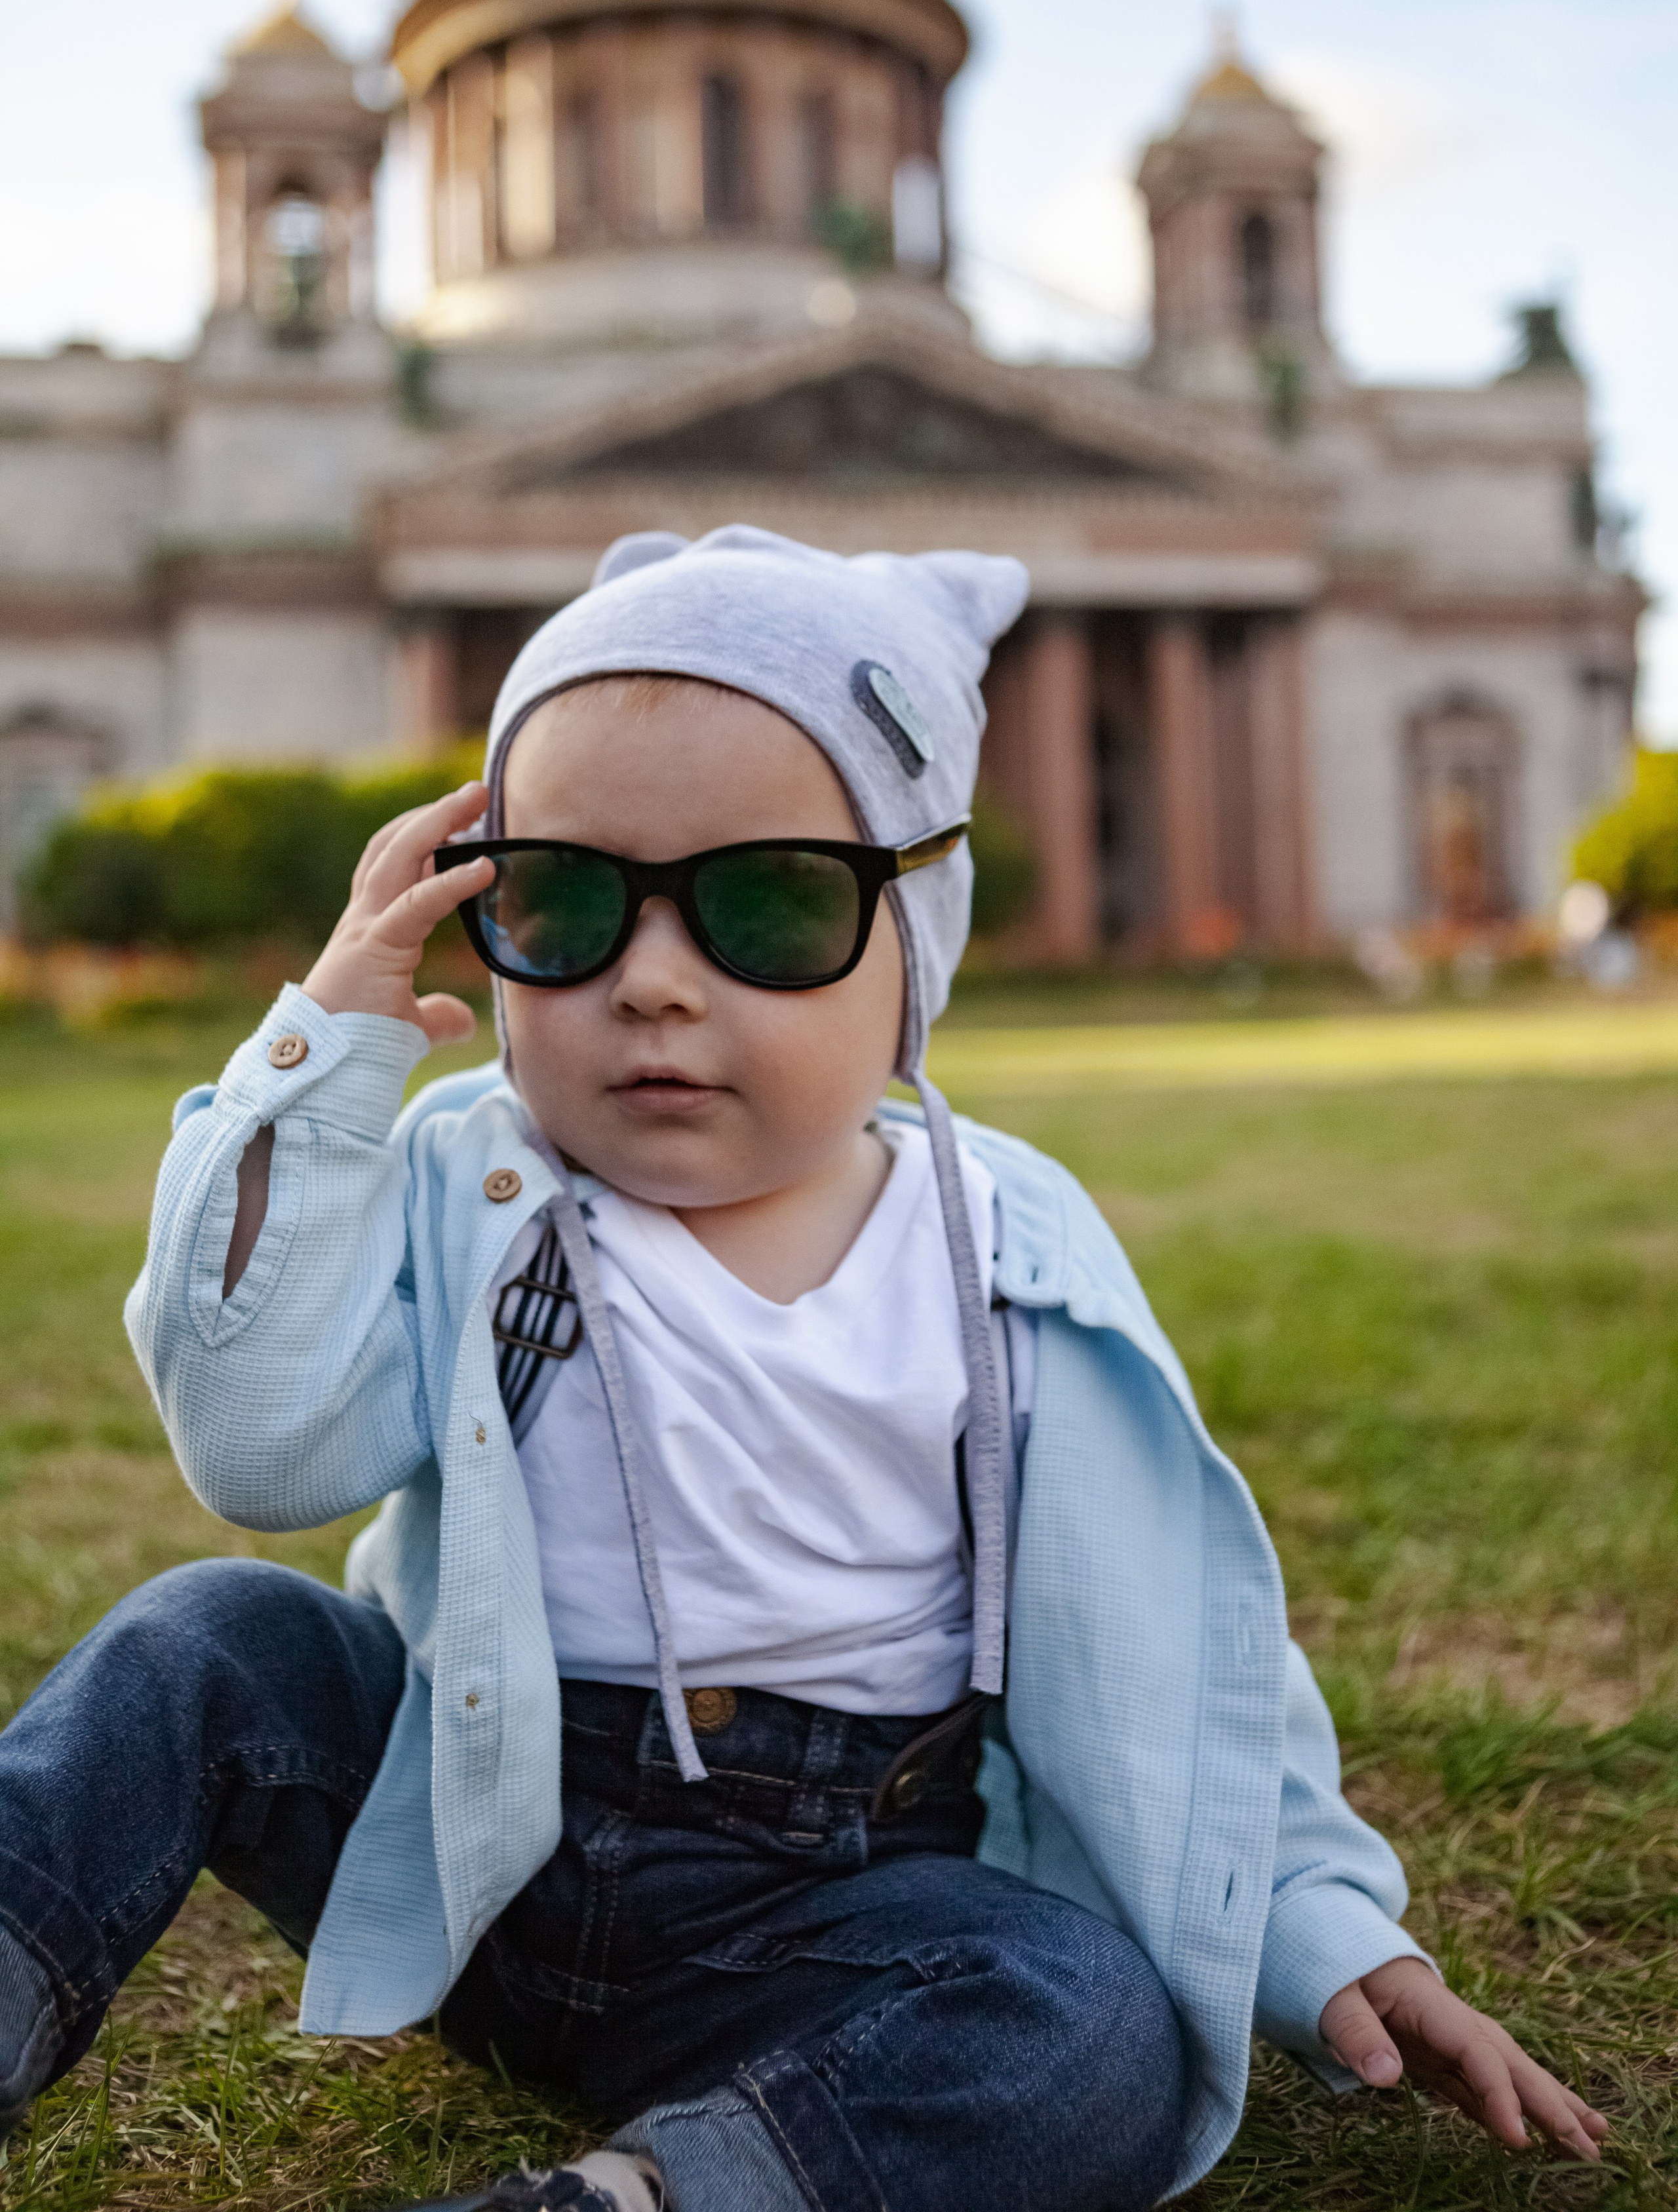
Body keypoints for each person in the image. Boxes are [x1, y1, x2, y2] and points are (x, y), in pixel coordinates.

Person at [0, 528, 1606, 2212]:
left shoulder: (1003, 1248)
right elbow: (257, 1449)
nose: (655, 985)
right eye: (561, 904)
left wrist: (1321, 1929)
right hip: (465, 1845)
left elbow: (1176, 1650)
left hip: (825, 1920)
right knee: (205, 1640)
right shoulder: (466, 1180)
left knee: (1088, 2029)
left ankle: (636, 2196)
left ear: (915, 933)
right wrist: (315, 1062)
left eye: (768, 905)